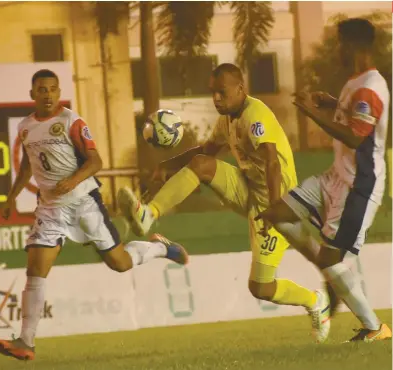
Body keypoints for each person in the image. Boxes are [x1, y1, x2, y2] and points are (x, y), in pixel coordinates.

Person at [118, 63, 331, 343]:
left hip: (279, 204)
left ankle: (315, 301)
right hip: (247, 188)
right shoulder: (228, 118)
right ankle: (149, 213)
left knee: (261, 288)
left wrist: (275, 209)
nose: (216, 98)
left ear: (240, 89)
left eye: (222, 92)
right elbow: (206, 150)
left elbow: (272, 164)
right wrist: (168, 165)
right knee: (202, 164)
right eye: (213, 93)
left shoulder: (256, 116)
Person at [0, 69, 188, 361]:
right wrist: (11, 197)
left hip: (84, 202)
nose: (47, 94)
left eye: (52, 89)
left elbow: (96, 161)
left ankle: (160, 247)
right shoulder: (25, 127)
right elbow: (27, 167)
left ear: (59, 93)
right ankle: (26, 342)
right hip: (50, 208)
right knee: (35, 270)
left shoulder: (71, 121)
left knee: (119, 263)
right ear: (32, 94)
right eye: (41, 90)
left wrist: (73, 180)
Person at [256, 18, 392, 342]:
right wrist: (332, 102)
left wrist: (310, 112)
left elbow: (356, 137)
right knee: (277, 213)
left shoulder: (370, 87)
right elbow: (355, 116)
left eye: (338, 43)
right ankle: (336, 257)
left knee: (330, 259)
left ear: (352, 45)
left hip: (358, 186)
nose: (336, 50)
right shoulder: (355, 83)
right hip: (335, 176)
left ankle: (376, 328)